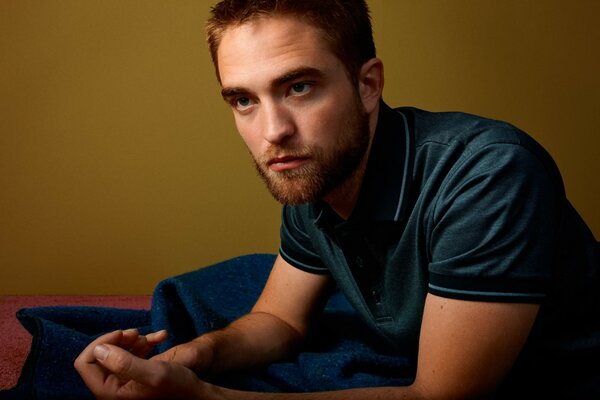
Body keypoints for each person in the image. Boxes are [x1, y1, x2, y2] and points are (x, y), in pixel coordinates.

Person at [74, 0, 600, 398]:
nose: (273, 132)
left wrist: (206, 397)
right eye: (244, 100)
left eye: (299, 87)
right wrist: (188, 358)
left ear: (368, 84)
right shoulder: (316, 172)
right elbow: (280, 321)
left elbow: (439, 396)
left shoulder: (488, 175)